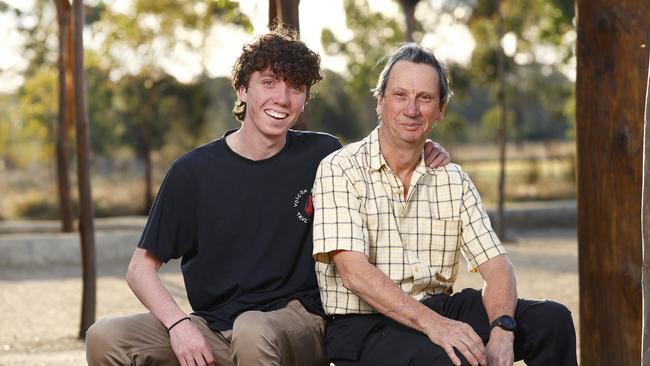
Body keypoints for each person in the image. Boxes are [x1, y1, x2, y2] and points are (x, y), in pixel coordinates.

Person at [85, 29, 451, 366]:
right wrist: (179, 324)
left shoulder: (323, 154)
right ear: (243, 90)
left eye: (295, 87)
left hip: (300, 322)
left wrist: (423, 147)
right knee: (106, 337)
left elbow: (384, 155)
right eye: (269, 82)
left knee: (253, 329)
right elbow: (140, 269)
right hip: (214, 327)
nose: (281, 98)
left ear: (306, 97)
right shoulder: (191, 173)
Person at [312, 43, 577, 366]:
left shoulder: (452, 179)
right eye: (400, 95)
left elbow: (496, 266)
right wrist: (437, 327)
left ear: (441, 110)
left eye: (424, 98)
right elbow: (354, 273)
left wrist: (502, 330)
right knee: (454, 357)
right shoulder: (340, 168)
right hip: (364, 325)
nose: (412, 109)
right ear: (379, 103)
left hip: (439, 306)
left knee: (552, 321)